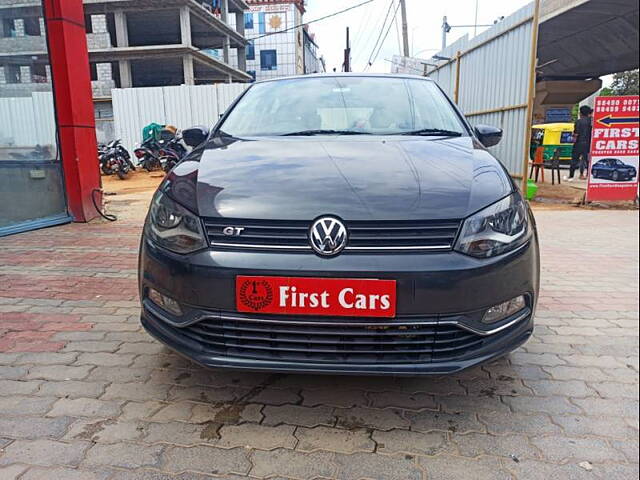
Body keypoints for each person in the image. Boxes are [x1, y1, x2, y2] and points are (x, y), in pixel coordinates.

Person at [566, 105, 593, 181]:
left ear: (580, 113)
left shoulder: (578, 121)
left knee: (574, 160)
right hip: (589, 144)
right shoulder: (591, 122)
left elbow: (576, 134)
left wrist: (573, 138)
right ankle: (589, 176)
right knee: (588, 161)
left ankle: (571, 176)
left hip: (578, 144)